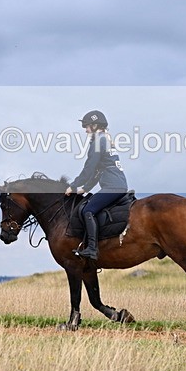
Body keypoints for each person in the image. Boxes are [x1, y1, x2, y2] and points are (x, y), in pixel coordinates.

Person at [65, 110, 128, 261]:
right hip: (118, 185)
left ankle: (92, 249)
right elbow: (98, 171)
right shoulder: (105, 139)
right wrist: (85, 189)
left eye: (87, 126)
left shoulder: (98, 142)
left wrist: (73, 186)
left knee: (88, 210)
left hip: (112, 187)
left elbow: (89, 169)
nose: (86, 130)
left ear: (95, 125)